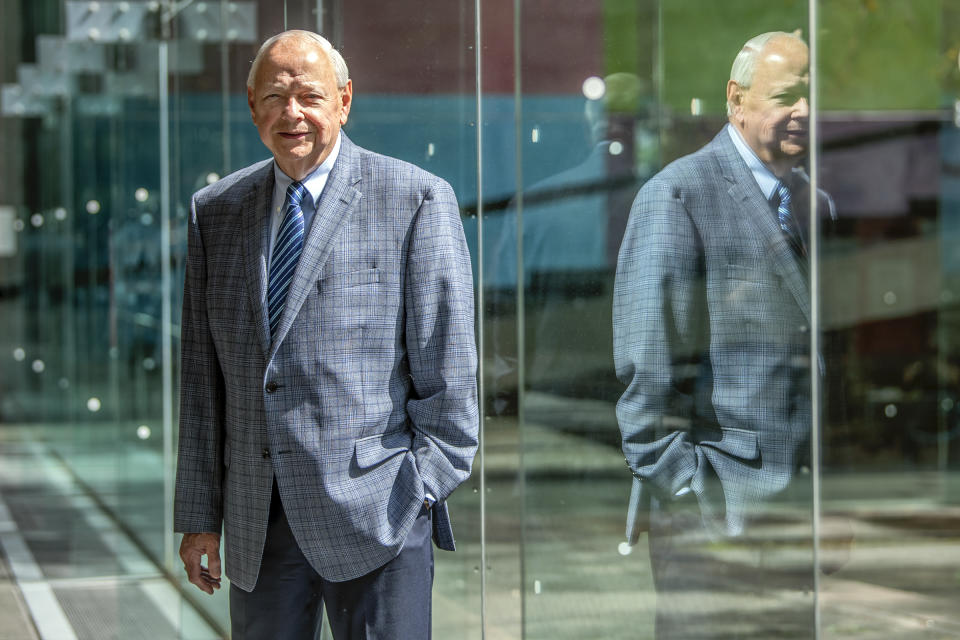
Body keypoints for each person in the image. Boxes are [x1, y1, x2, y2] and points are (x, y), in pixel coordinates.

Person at [173, 30, 478, 639]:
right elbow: (202, 386)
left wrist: (419, 487)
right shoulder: (217, 211)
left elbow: (451, 372)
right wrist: (199, 516)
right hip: (259, 524)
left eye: (309, 96)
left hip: (378, 515)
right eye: (275, 97)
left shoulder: (415, 199)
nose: (293, 113)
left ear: (343, 102)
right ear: (252, 105)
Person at [613, 31, 833, 638]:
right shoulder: (676, 196)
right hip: (713, 521)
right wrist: (689, 494)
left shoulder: (814, 204)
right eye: (786, 95)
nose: (805, 111)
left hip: (795, 522)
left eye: (810, 94)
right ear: (735, 99)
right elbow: (647, 372)